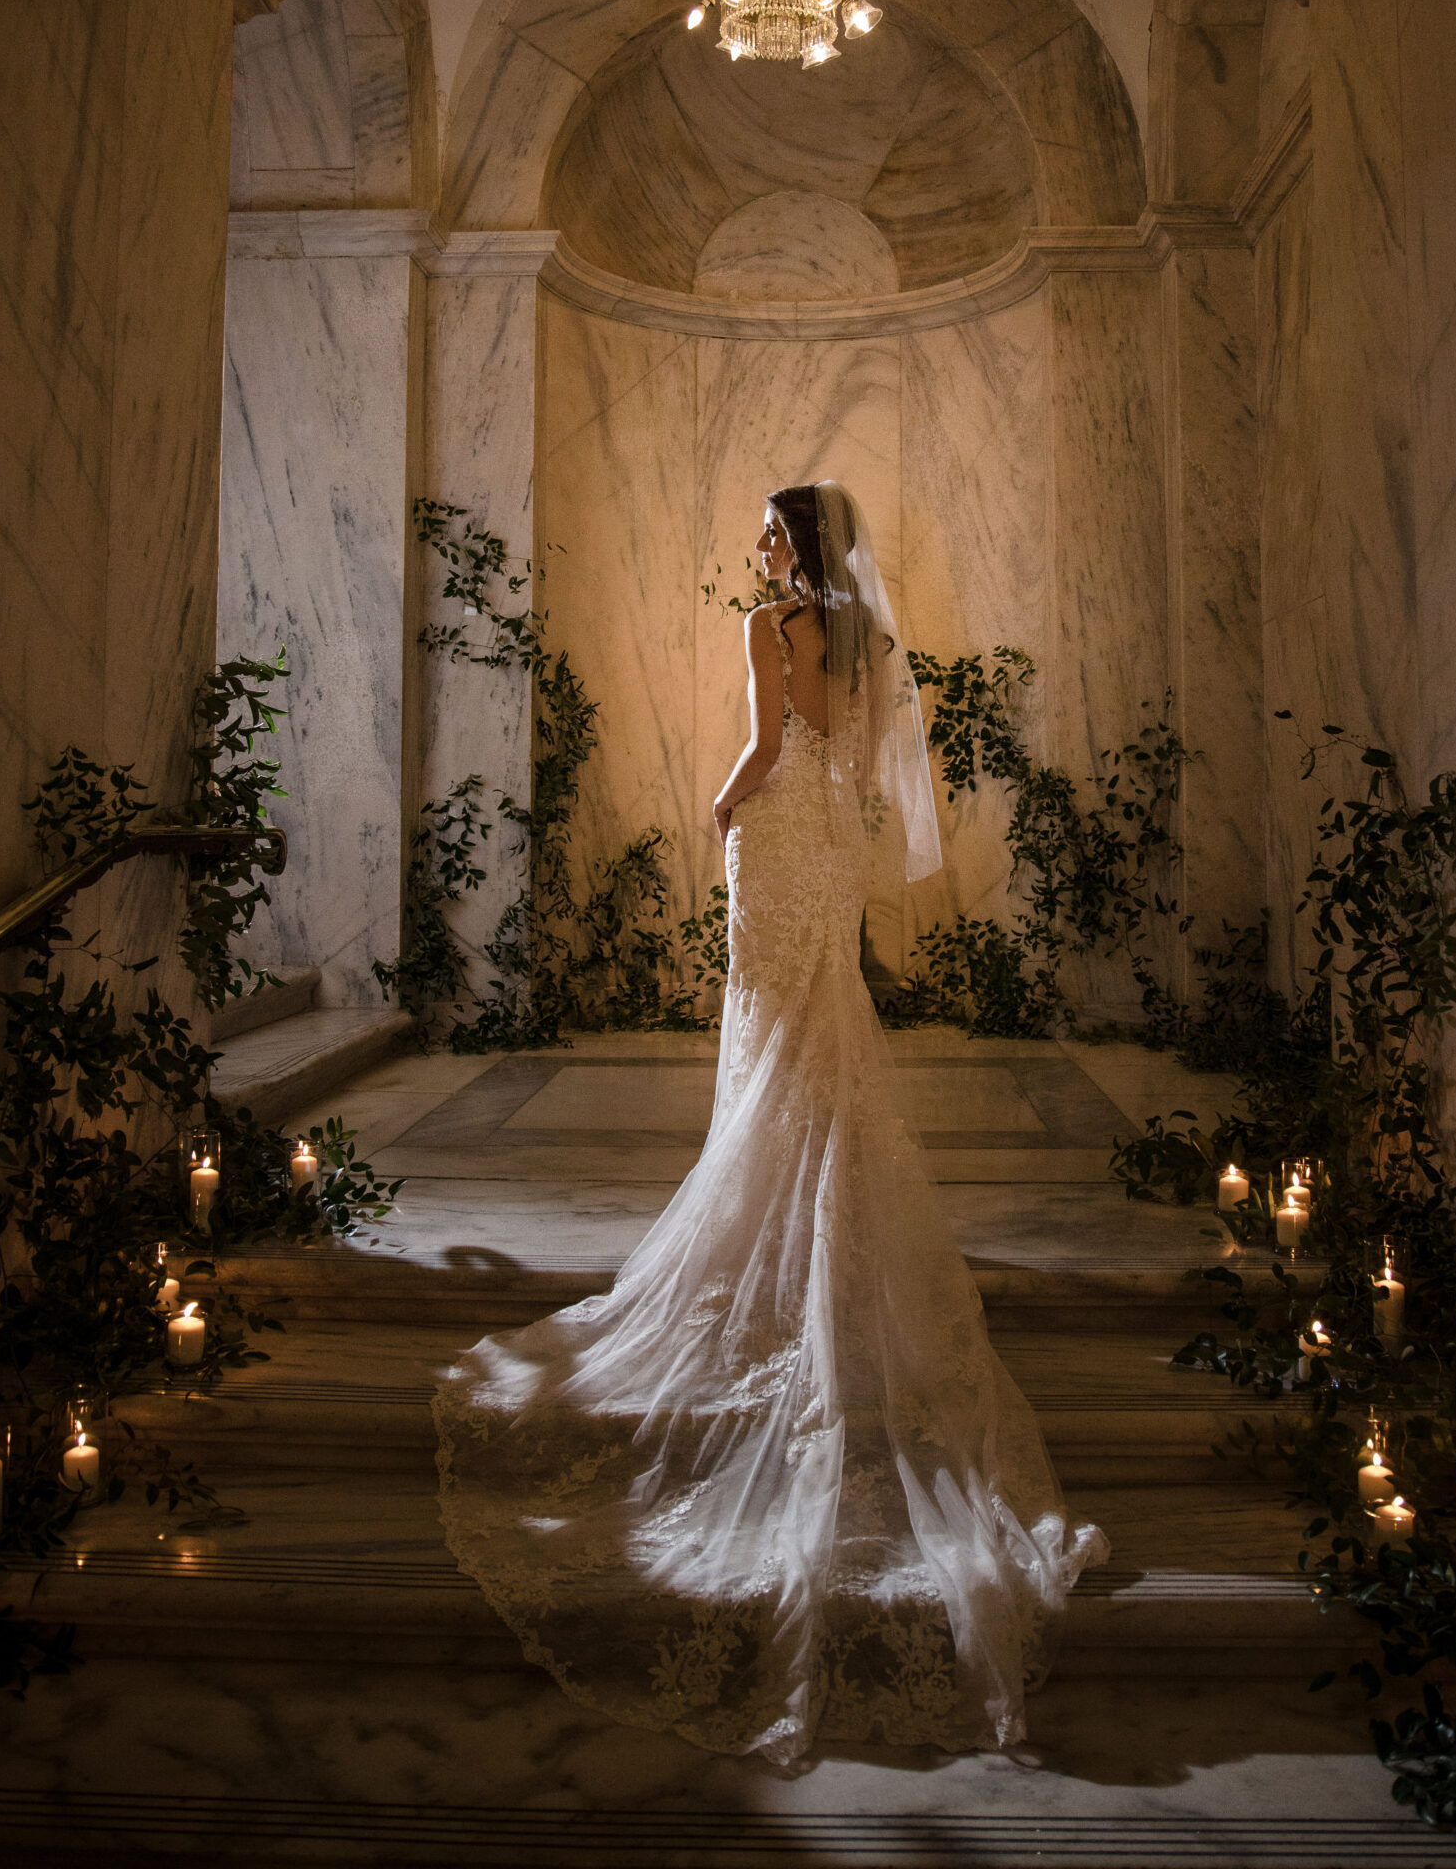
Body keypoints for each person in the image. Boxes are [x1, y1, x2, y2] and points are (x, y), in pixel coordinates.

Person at [433, 480, 1106, 1763]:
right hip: (833, 847)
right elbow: (852, 751)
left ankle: (773, 1236)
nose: (754, 546)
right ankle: (827, 1228)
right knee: (825, 1032)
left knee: (772, 1037)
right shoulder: (854, 636)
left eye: (766, 528)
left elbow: (761, 742)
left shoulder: (765, 620)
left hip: (776, 833)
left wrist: (721, 809)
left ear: (791, 543)